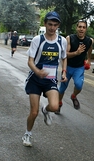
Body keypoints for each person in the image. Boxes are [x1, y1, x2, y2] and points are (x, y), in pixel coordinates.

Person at [23, 11, 67, 147]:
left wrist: (64, 72)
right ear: (45, 24)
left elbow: (64, 58)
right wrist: (37, 71)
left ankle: (46, 110)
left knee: (54, 106)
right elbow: (30, 61)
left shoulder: (62, 41)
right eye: (50, 24)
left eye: (55, 25)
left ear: (58, 25)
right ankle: (27, 134)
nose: (52, 28)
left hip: (50, 80)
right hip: (35, 79)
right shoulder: (38, 40)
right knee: (34, 112)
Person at [57, 20, 93, 114]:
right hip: (68, 67)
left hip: (79, 68)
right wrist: (76, 53)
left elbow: (90, 49)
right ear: (76, 28)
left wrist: (89, 59)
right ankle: (59, 103)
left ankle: (73, 96)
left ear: (86, 29)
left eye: (83, 27)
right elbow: (65, 55)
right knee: (62, 89)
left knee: (79, 85)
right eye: (80, 27)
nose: (81, 29)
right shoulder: (69, 38)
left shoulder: (89, 41)